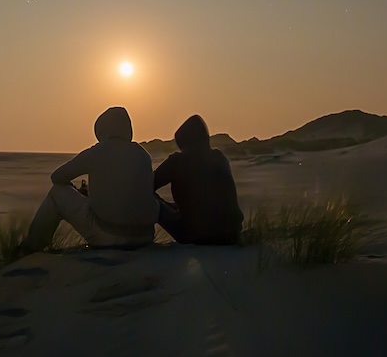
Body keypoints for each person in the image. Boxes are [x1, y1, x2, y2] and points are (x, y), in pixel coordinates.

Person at [18, 106, 160, 253]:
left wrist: (75, 191)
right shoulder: (143, 155)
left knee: (57, 192)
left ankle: (30, 248)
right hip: (145, 237)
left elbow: (57, 177)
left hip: (109, 237)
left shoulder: (98, 152)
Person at [153, 114, 243, 245]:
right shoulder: (219, 157)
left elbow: (147, 184)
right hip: (231, 234)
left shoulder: (178, 161)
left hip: (195, 235)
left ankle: (134, 236)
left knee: (149, 198)